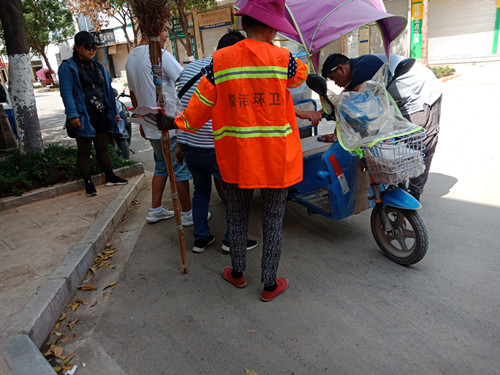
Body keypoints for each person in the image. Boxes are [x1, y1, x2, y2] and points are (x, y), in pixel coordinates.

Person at [174, 0, 308, 302]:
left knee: (236, 215)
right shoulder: (283, 59)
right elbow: (300, 76)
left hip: (237, 158)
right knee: (273, 219)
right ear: (272, 27)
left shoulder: (219, 61)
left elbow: (199, 107)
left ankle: (237, 272)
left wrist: (176, 122)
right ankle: (270, 284)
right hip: (277, 157)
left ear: (243, 23)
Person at [175, 30, 258, 254]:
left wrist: (181, 143)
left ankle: (200, 239)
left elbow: (183, 109)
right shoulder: (231, 73)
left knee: (200, 191)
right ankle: (232, 240)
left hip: (191, 144)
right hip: (218, 148)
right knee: (235, 193)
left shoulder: (189, 69)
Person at [321, 53, 443, 200]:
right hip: (400, 99)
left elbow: (346, 104)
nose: (337, 84)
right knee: (398, 143)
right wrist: (330, 124)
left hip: (420, 93)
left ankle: (414, 192)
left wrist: (335, 126)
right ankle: (399, 186)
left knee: (421, 142)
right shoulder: (357, 72)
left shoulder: (363, 66)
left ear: (340, 69)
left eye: (334, 79)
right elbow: (342, 103)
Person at [125, 23, 193, 224]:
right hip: (169, 122)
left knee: (161, 167)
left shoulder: (131, 58)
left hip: (151, 124)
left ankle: (155, 209)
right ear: (153, 30)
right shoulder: (159, 55)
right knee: (179, 167)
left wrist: (141, 123)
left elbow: (133, 93)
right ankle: (189, 214)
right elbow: (185, 78)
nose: (166, 34)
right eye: (164, 29)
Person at [59, 31, 128, 197]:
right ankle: (88, 182)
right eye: (87, 47)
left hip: (101, 112)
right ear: (77, 47)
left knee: (103, 146)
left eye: (94, 48)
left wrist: (114, 111)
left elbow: (107, 90)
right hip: (83, 114)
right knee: (84, 149)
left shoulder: (98, 66)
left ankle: (110, 176)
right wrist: (72, 115)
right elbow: (66, 92)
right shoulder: (68, 67)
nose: (91, 50)